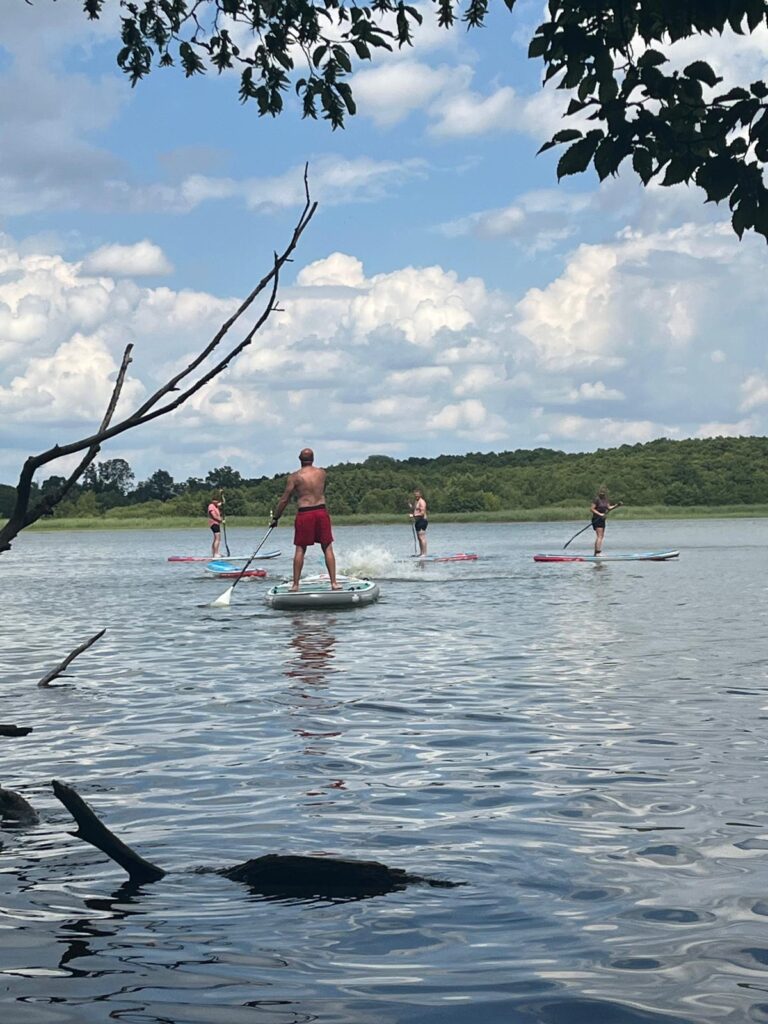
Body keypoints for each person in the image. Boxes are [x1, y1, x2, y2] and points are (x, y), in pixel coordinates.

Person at [271, 448, 340, 591]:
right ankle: (334, 583)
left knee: (300, 548)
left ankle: (295, 585)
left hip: (305, 513)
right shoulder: (322, 473)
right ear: (313, 458)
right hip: (321, 511)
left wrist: (276, 517)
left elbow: (284, 499)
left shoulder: (294, 477)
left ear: (299, 459)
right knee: (327, 547)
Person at [590, 486, 620, 555]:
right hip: (597, 519)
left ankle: (595, 553)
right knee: (599, 536)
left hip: (602, 519)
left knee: (601, 536)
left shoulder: (606, 500)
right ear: (598, 492)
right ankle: (598, 553)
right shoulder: (596, 499)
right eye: (601, 492)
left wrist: (616, 505)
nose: (602, 493)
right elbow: (592, 509)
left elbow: (609, 508)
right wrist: (600, 514)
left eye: (603, 492)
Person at [409, 489, 428, 556]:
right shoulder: (416, 501)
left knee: (422, 537)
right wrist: (411, 506)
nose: (416, 496)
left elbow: (422, 513)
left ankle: (424, 553)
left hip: (422, 521)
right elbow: (415, 510)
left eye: (417, 495)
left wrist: (413, 515)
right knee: (419, 538)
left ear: (420, 495)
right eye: (415, 495)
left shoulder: (422, 502)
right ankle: (421, 553)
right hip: (417, 521)